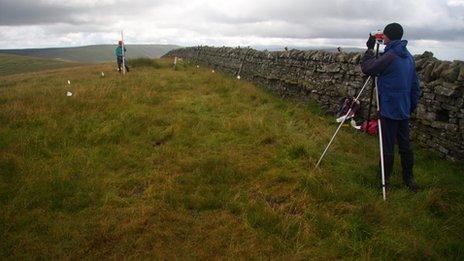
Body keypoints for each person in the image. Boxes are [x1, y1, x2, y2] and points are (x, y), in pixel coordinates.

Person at [361, 23, 421, 192]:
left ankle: (384, 179)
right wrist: (411, 105)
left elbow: (368, 68)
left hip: (389, 107)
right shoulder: (408, 56)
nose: (383, 38)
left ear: (387, 37)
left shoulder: (390, 56)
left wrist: (369, 49)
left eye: (384, 35)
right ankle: (409, 178)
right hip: (404, 108)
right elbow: (415, 85)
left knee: (387, 144)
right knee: (405, 144)